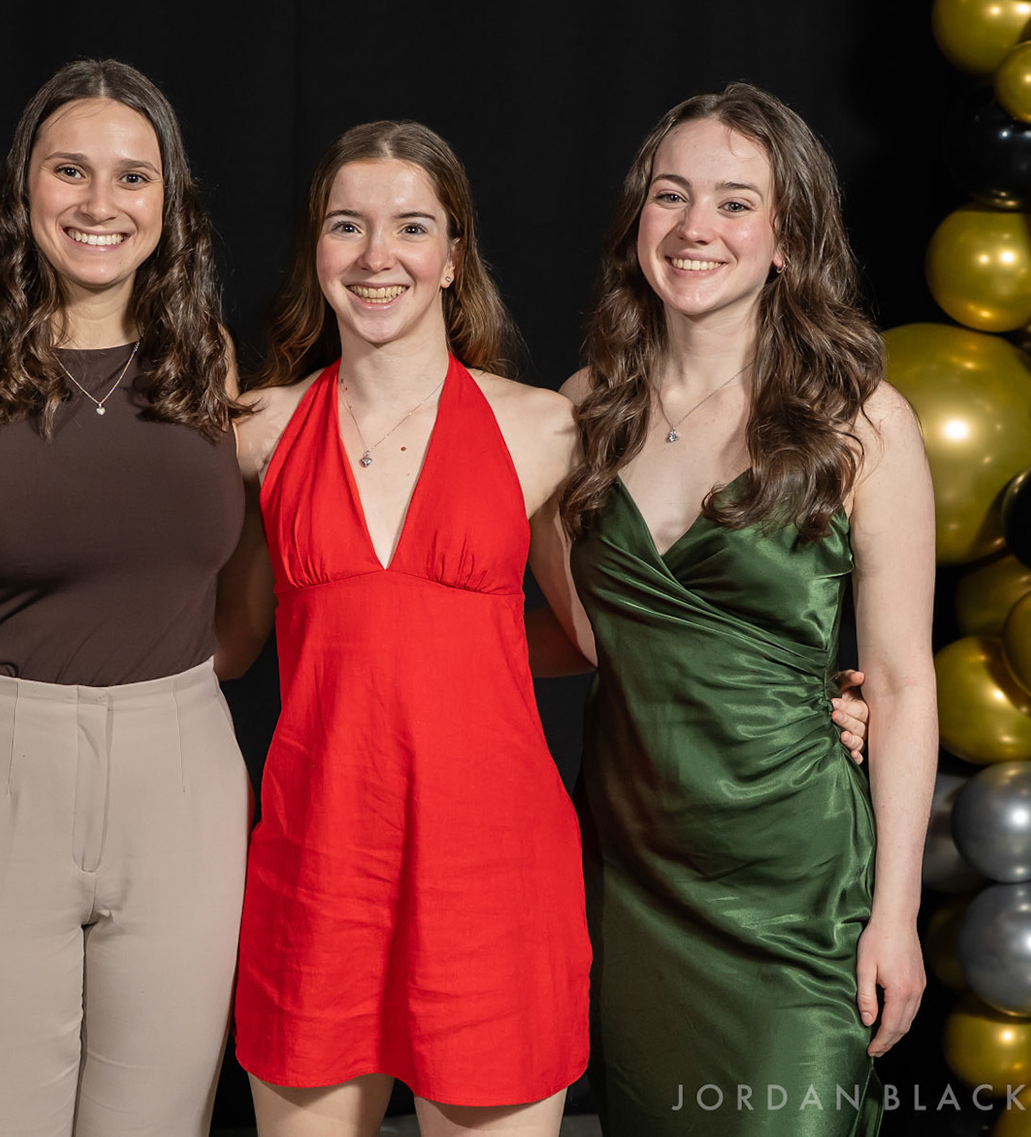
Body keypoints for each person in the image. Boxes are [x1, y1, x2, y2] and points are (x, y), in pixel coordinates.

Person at [548, 84, 936, 1136]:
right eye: (670, 195)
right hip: (632, 885)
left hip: (800, 891)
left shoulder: (862, 422)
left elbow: (903, 683)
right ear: (638, 220)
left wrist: (897, 914)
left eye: (734, 202)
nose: (695, 227)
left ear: (788, 241)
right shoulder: (579, 411)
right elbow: (567, 634)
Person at [219, 121, 590, 1137]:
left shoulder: (541, 427)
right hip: (320, 866)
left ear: (454, 256)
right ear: (317, 250)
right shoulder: (257, 428)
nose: (377, 254)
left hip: (492, 874)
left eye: (412, 226)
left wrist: (804, 685)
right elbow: (228, 642)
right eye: (347, 225)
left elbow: (604, 635)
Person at [0, 58, 250, 1137]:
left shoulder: (208, 365)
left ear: (170, 201)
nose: (101, 202)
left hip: (183, 768)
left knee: (158, 1117)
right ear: (24, 188)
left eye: (132, 176)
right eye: (70, 170)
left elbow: (246, 601)